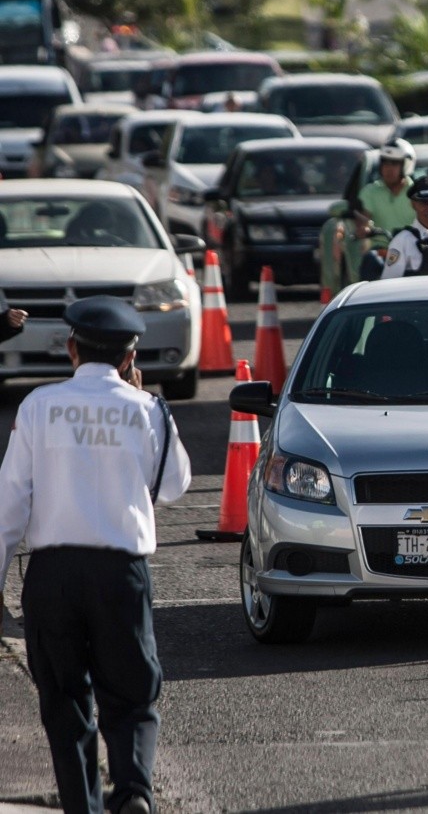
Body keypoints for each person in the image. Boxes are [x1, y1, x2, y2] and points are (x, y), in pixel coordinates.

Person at [0, 296, 192, 814]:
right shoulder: (149, 410)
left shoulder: (38, 406)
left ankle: (82, 806)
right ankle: (132, 792)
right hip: (119, 571)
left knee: (64, 701)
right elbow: (175, 485)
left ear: (71, 349)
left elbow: (8, 505)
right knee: (130, 694)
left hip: (52, 573)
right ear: (131, 358)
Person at [352, 139, 418, 281]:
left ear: (406, 165)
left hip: (412, 251)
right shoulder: (370, 191)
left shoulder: (416, 193)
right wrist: (363, 228)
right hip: (383, 251)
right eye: (385, 162)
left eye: (394, 163)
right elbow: (363, 218)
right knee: (370, 263)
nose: (388, 168)